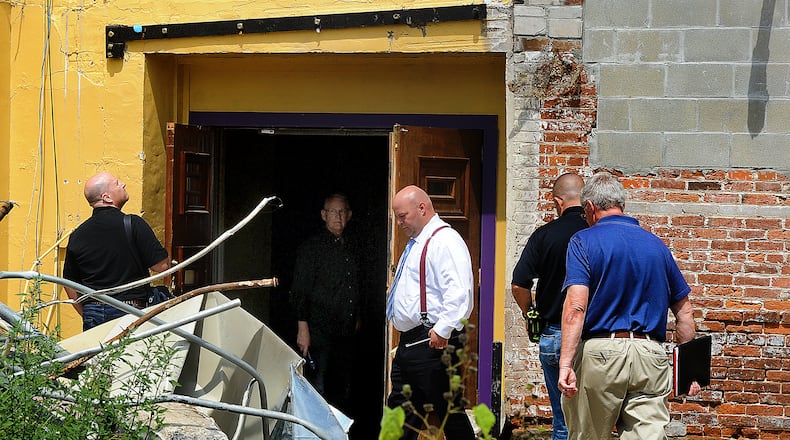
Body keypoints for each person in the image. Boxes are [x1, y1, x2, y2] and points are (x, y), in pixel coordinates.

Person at [558, 171, 698, 440]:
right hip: (650, 355)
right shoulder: (657, 246)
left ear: (589, 208)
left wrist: (565, 364)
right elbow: (685, 313)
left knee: (588, 436)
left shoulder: (583, 241)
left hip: (601, 353)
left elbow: (576, 307)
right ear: (621, 204)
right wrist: (689, 370)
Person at [386, 185, 475, 440]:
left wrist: (443, 328)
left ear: (422, 208)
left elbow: (459, 291)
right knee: (401, 413)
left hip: (432, 343)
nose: (399, 222)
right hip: (410, 344)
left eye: (403, 216)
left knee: (450, 413)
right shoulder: (418, 242)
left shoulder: (445, 240)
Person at [511, 172, 586, 440]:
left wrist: (530, 312)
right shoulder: (596, 233)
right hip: (595, 336)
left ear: (557, 201)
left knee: (563, 421)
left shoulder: (544, 236)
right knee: (597, 422)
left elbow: (519, 284)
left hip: (555, 332)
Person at [63, 172, 170, 331]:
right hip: (131, 311)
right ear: (106, 197)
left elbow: (69, 284)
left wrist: (88, 312)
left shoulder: (77, 235)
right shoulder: (133, 224)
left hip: (94, 312)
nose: (124, 184)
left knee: (100, 356)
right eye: (117, 183)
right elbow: (161, 267)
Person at [291, 193, 361, 412]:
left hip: (346, 331)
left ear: (349, 215)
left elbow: (356, 285)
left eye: (342, 212)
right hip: (319, 331)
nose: (338, 217)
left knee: (344, 387)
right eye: (333, 212)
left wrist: (357, 315)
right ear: (324, 215)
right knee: (319, 388)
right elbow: (300, 290)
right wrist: (303, 329)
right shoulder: (312, 249)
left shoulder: (352, 247)